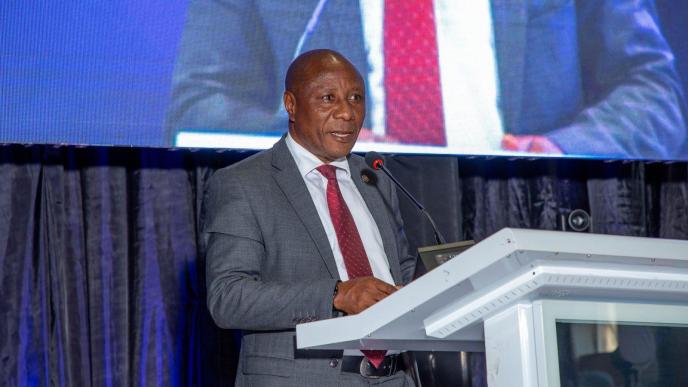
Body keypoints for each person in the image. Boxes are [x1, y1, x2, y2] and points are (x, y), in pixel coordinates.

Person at [168, 0, 686, 159]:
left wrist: (560, 149)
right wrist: (307, 140)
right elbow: (200, 106)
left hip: (526, 216)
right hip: (331, 234)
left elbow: (653, 93)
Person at [204, 49, 417, 386]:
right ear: (291, 104)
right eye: (328, 98)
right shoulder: (243, 183)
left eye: (355, 98)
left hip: (394, 378)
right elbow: (228, 297)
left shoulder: (374, 177)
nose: (347, 112)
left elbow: (400, 269)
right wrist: (336, 294)